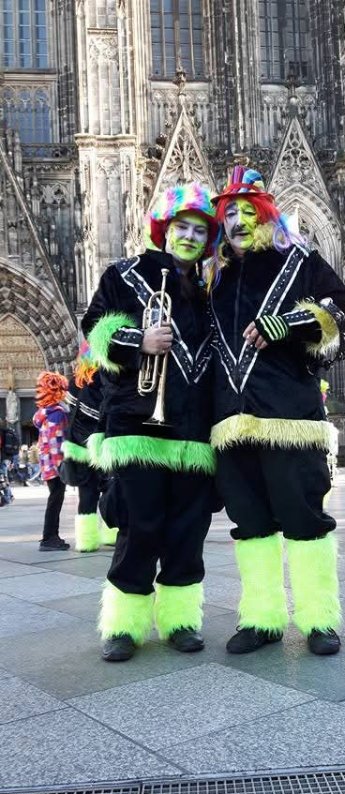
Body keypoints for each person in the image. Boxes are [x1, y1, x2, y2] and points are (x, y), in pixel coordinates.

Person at [208, 166, 345, 655]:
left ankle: (319, 619)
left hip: (290, 416)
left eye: (248, 212)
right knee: (250, 523)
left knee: (304, 517)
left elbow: (341, 309)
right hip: (231, 424)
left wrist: (289, 323)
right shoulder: (216, 277)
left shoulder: (299, 261)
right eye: (230, 214)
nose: (238, 222)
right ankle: (262, 618)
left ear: (266, 216)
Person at [82, 182, 219, 661]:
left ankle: (180, 619)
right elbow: (94, 328)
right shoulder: (124, 274)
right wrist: (137, 340)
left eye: (199, 231)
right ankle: (124, 625)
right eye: (182, 227)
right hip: (138, 424)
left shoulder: (208, 288)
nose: (189, 237)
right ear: (164, 229)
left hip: (193, 431)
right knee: (140, 524)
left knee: (188, 529)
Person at [62, 341, 118, 552]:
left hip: (79, 447)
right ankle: (111, 533)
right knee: (110, 489)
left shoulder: (75, 383)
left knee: (86, 495)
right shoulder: (105, 380)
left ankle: (86, 541)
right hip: (101, 445)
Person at [33, 371, 70, 551]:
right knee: (55, 499)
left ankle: (52, 536)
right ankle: (49, 538)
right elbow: (55, 442)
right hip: (55, 465)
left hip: (47, 464)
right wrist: (61, 466)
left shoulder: (44, 414)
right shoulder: (56, 414)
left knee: (55, 498)